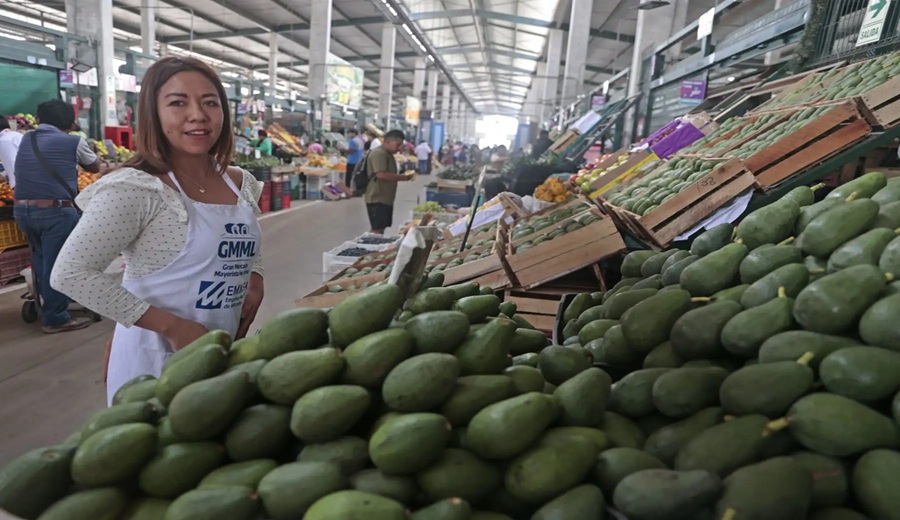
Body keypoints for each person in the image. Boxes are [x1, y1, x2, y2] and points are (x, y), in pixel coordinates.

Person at [50, 56, 265, 404]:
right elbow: (70, 274)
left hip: (221, 347)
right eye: (178, 103)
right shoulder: (136, 187)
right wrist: (174, 327)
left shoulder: (241, 183)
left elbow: (245, 240)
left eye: (210, 102)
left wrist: (255, 276)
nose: (198, 114)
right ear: (153, 113)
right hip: (154, 359)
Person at [13, 100, 101, 334]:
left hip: (22, 211)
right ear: (71, 122)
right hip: (55, 212)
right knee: (57, 264)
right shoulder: (73, 141)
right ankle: (55, 318)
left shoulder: (26, 139)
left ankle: (48, 305)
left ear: (38, 120)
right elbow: (94, 167)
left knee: (42, 260)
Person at [364, 129, 412, 234]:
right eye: (397, 144)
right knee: (377, 229)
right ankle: (370, 248)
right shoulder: (379, 154)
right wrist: (403, 178)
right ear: (387, 141)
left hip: (384, 197)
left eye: (400, 145)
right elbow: (381, 174)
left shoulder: (387, 153)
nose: (399, 148)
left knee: (381, 227)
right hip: (377, 197)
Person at [0, 116, 23, 188]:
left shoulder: (4, 141)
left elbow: (14, 168)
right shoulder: (16, 135)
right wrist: (3, 174)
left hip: (23, 189)